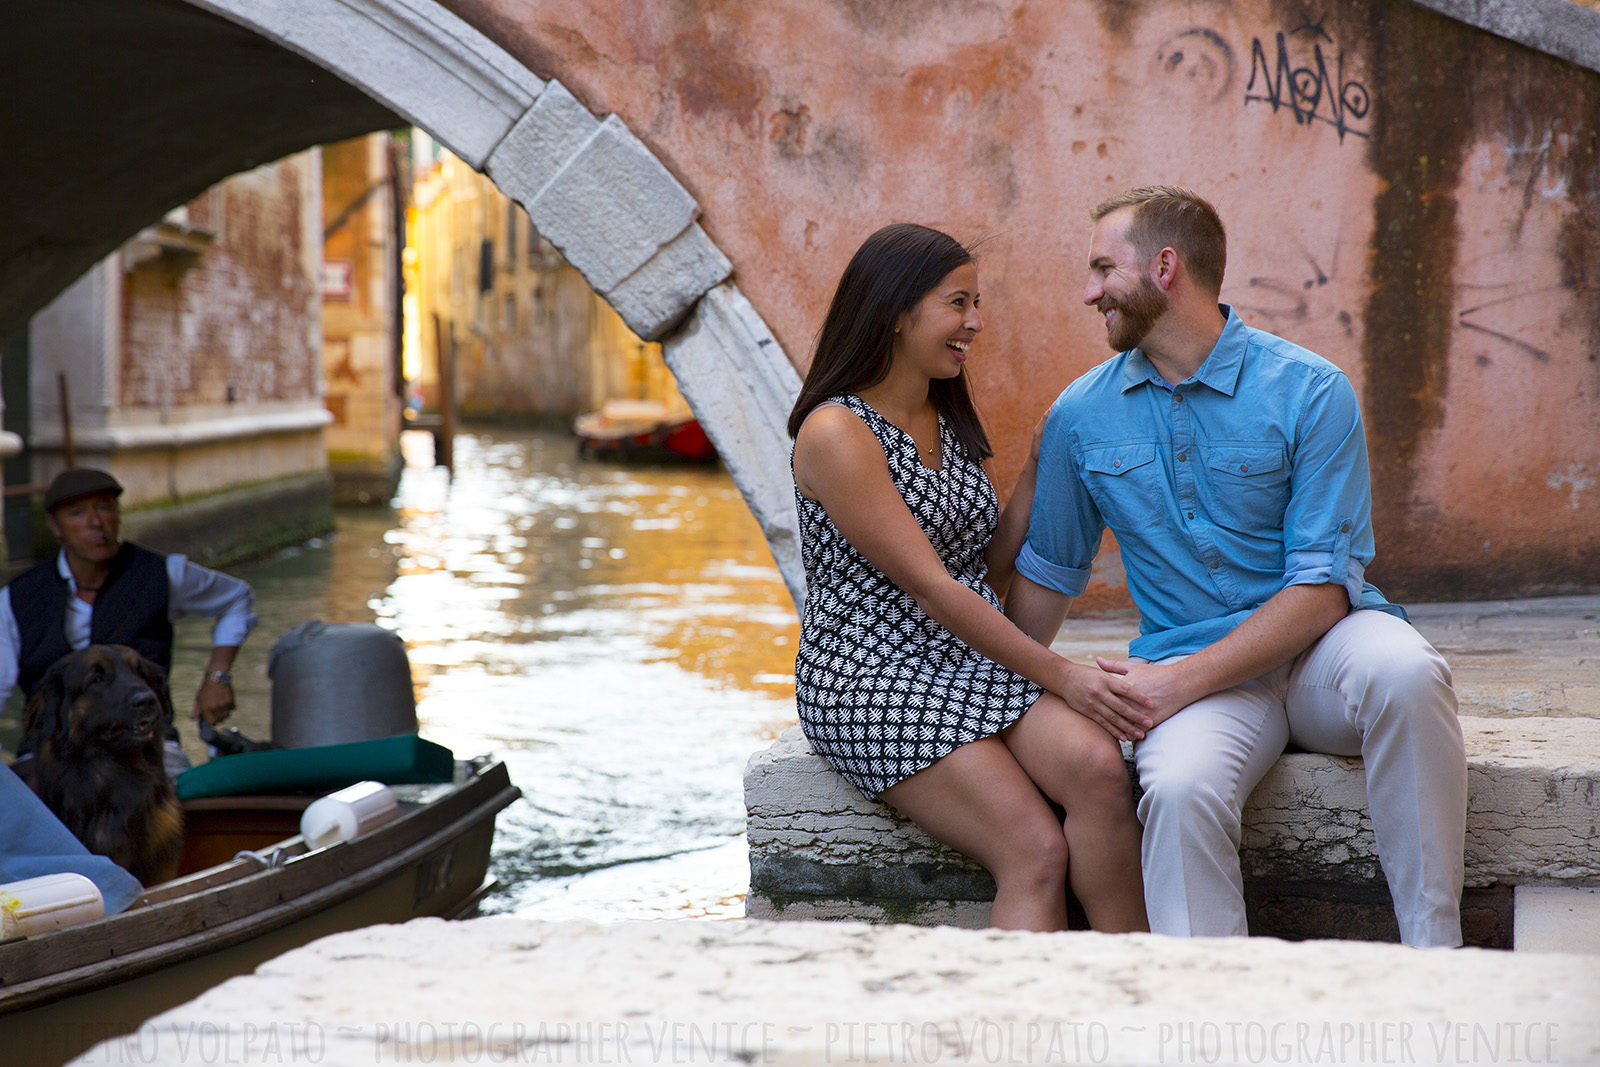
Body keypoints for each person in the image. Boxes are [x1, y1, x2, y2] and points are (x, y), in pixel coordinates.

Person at [1007, 186, 1466, 946]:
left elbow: (1321, 592)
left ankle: (1436, 955)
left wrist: (1171, 685)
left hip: (1319, 654)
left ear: (1164, 267)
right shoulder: (1078, 415)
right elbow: (1048, 581)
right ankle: (1209, 1019)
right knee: (1180, 789)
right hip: (1199, 673)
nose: (1088, 293)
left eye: (1100, 269)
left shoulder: (1311, 390)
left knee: (1408, 672)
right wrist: (982, 701)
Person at [789, 222, 1151, 933]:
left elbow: (975, 568)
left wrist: (1041, 463)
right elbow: (933, 586)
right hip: (867, 673)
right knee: (1034, 848)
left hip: (958, 659)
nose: (975, 323)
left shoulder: (941, 411)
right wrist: (1062, 675)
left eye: (976, 303)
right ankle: (1009, 1032)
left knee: (1102, 773)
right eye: (958, 303)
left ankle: (1135, 990)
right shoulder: (836, 433)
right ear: (897, 312)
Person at [1, 467, 258, 778]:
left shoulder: (164, 574)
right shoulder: (16, 598)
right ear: (55, 526)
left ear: (118, 514)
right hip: (48, 752)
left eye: (105, 508)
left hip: (149, 745)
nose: (97, 523)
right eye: (78, 514)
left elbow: (236, 598)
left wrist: (217, 676)